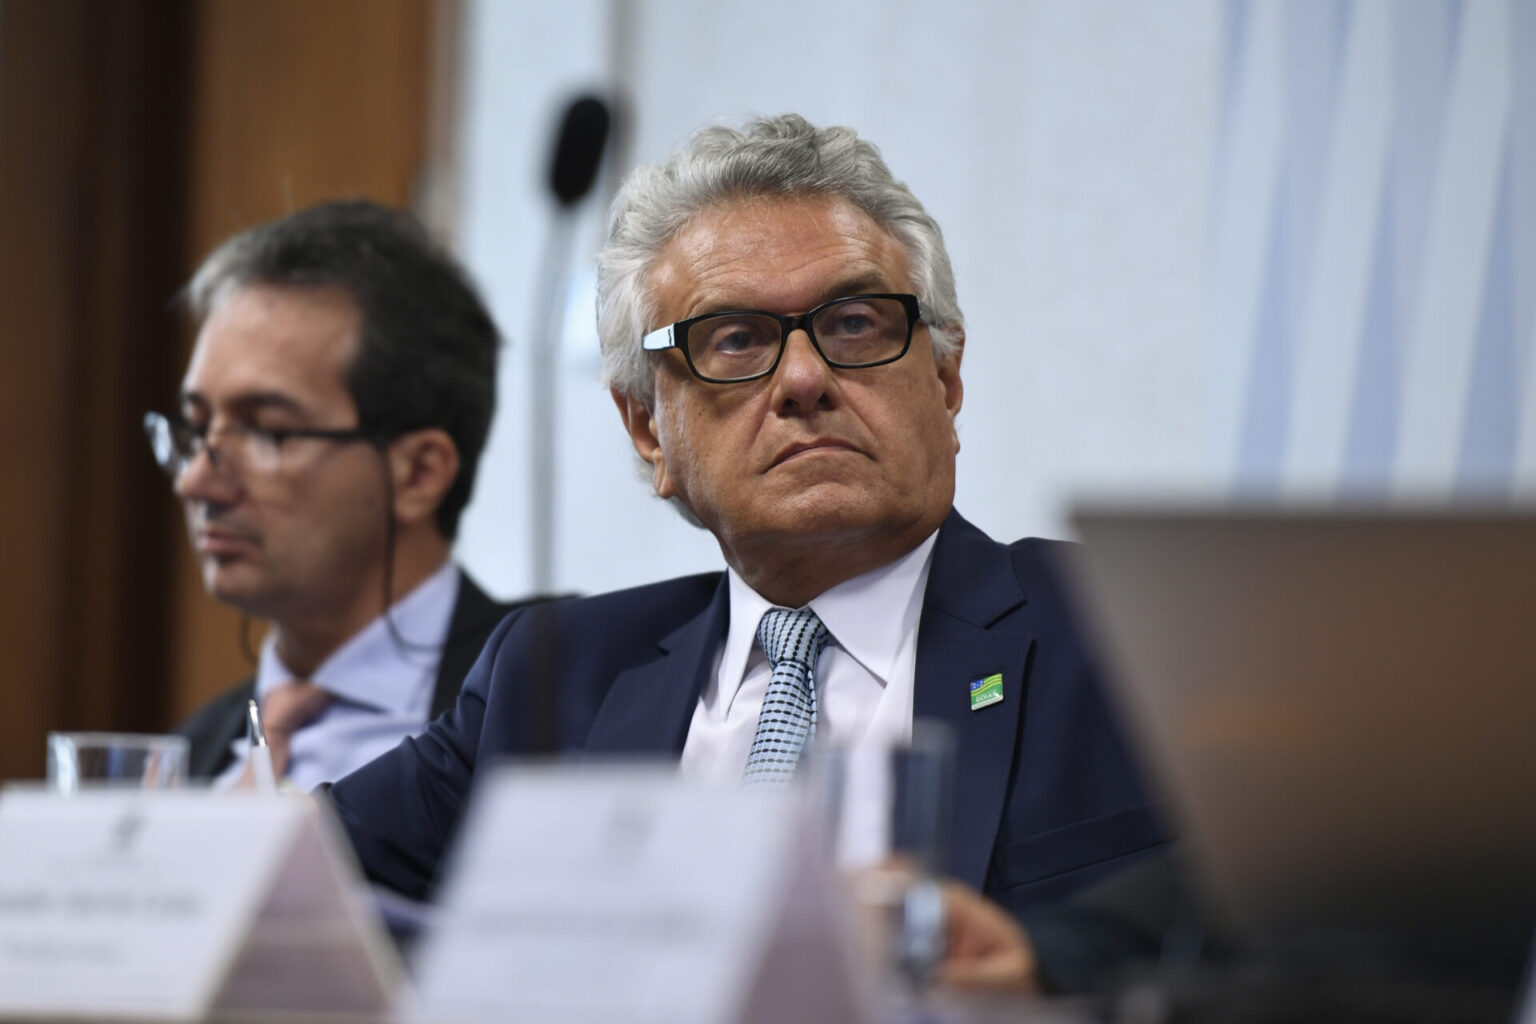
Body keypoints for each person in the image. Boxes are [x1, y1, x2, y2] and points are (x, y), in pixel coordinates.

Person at [326, 116, 1170, 989]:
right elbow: (299, 888)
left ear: (946, 381)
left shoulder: (1125, 625)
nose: (804, 379)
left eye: (854, 323)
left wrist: (1050, 964)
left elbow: (1258, 903)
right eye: (735, 340)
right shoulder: (552, 676)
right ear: (647, 428)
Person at [150, 200, 529, 790]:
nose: (195, 480)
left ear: (419, 473)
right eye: (197, 429)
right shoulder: (188, 755)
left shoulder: (552, 700)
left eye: (268, 432)